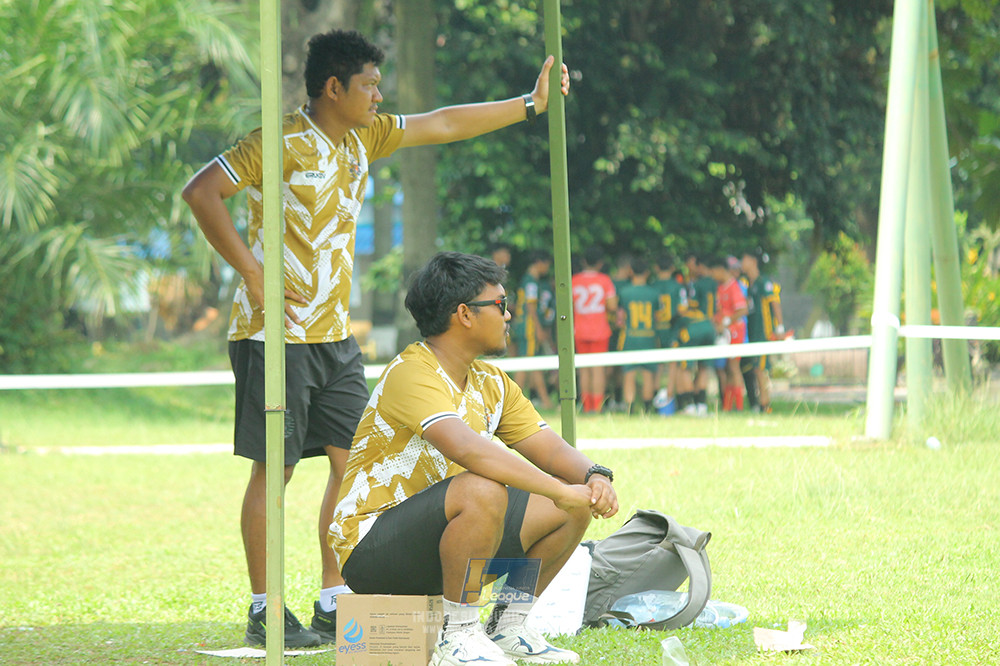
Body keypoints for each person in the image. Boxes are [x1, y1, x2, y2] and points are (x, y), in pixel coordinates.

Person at [181, 29, 571, 647]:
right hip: (270, 337)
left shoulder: (366, 135)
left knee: (348, 463)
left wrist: (528, 104)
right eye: (368, 83)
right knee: (274, 470)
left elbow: (441, 124)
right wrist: (252, 273)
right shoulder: (275, 142)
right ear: (333, 87)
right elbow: (202, 191)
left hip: (336, 339)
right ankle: (265, 607)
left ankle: (336, 597)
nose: (379, 93)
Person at [329, 252, 618, 666]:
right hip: (371, 550)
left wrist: (593, 478)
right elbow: (468, 450)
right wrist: (561, 489)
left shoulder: (491, 381)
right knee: (482, 488)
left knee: (572, 505)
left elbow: (548, 446)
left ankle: (507, 627)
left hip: (448, 541)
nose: (509, 315)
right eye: (500, 305)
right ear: (464, 314)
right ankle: (457, 637)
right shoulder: (411, 372)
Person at [571, 247, 617, 414]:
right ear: (600, 263)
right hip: (600, 330)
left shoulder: (574, 280)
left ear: (584, 261)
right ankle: (597, 406)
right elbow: (612, 306)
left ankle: (586, 405)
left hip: (579, 330)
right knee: (598, 369)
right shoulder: (605, 280)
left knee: (583, 369)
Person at [741, 250, 785, 412]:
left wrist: (779, 327)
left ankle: (765, 404)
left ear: (753, 261)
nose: (741, 262)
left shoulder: (763, 282)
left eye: (744, 258)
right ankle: (761, 402)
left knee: (760, 369)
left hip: (763, 333)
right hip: (753, 334)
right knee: (755, 368)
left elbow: (775, 304)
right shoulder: (749, 284)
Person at [616, 256, 661, 414]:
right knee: (648, 372)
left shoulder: (625, 292)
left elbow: (621, 316)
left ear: (631, 271)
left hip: (631, 336)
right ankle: (648, 408)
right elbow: (657, 315)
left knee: (629, 372)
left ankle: (629, 407)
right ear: (647, 272)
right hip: (649, 335)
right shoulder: (654, 292)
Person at [511, 250, 555, 410]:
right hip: (529, 327)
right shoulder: (531, 282)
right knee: (525, 363)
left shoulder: (528, 280)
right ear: (539, 262)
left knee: (532, 362)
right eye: (547, 265)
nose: (547, 269)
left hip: (524, 325)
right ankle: (512, 402)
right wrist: (538, 328)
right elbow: (530, 306)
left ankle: (545, 400)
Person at [708, 256, 749, 412]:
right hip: (725, 333)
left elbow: (742, 309)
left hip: (735, 332)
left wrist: (727, 321)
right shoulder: (721, 287)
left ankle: (738, 406)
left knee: (734, 368)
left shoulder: (733, 286)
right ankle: (728, 405)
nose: (712, 275)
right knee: (728, 369)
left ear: (720, 270)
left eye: (713, 271)